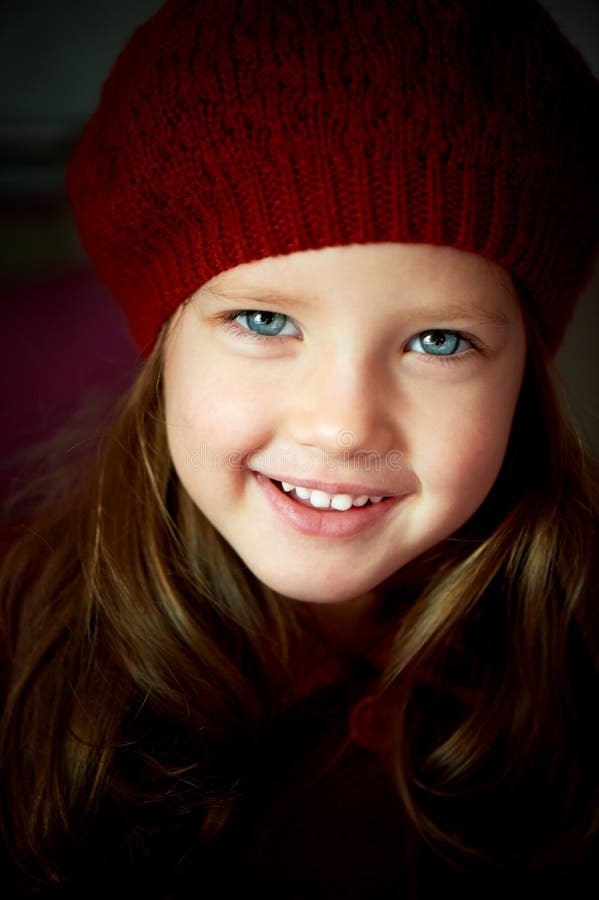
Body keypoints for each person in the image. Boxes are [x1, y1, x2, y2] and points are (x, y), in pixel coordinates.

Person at [1, 0, 598, 896]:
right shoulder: (22, 656)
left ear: (525, 373)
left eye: (437, 341)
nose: (342, 425)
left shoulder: (580, 663)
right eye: (264, 320)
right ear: (164, 347)